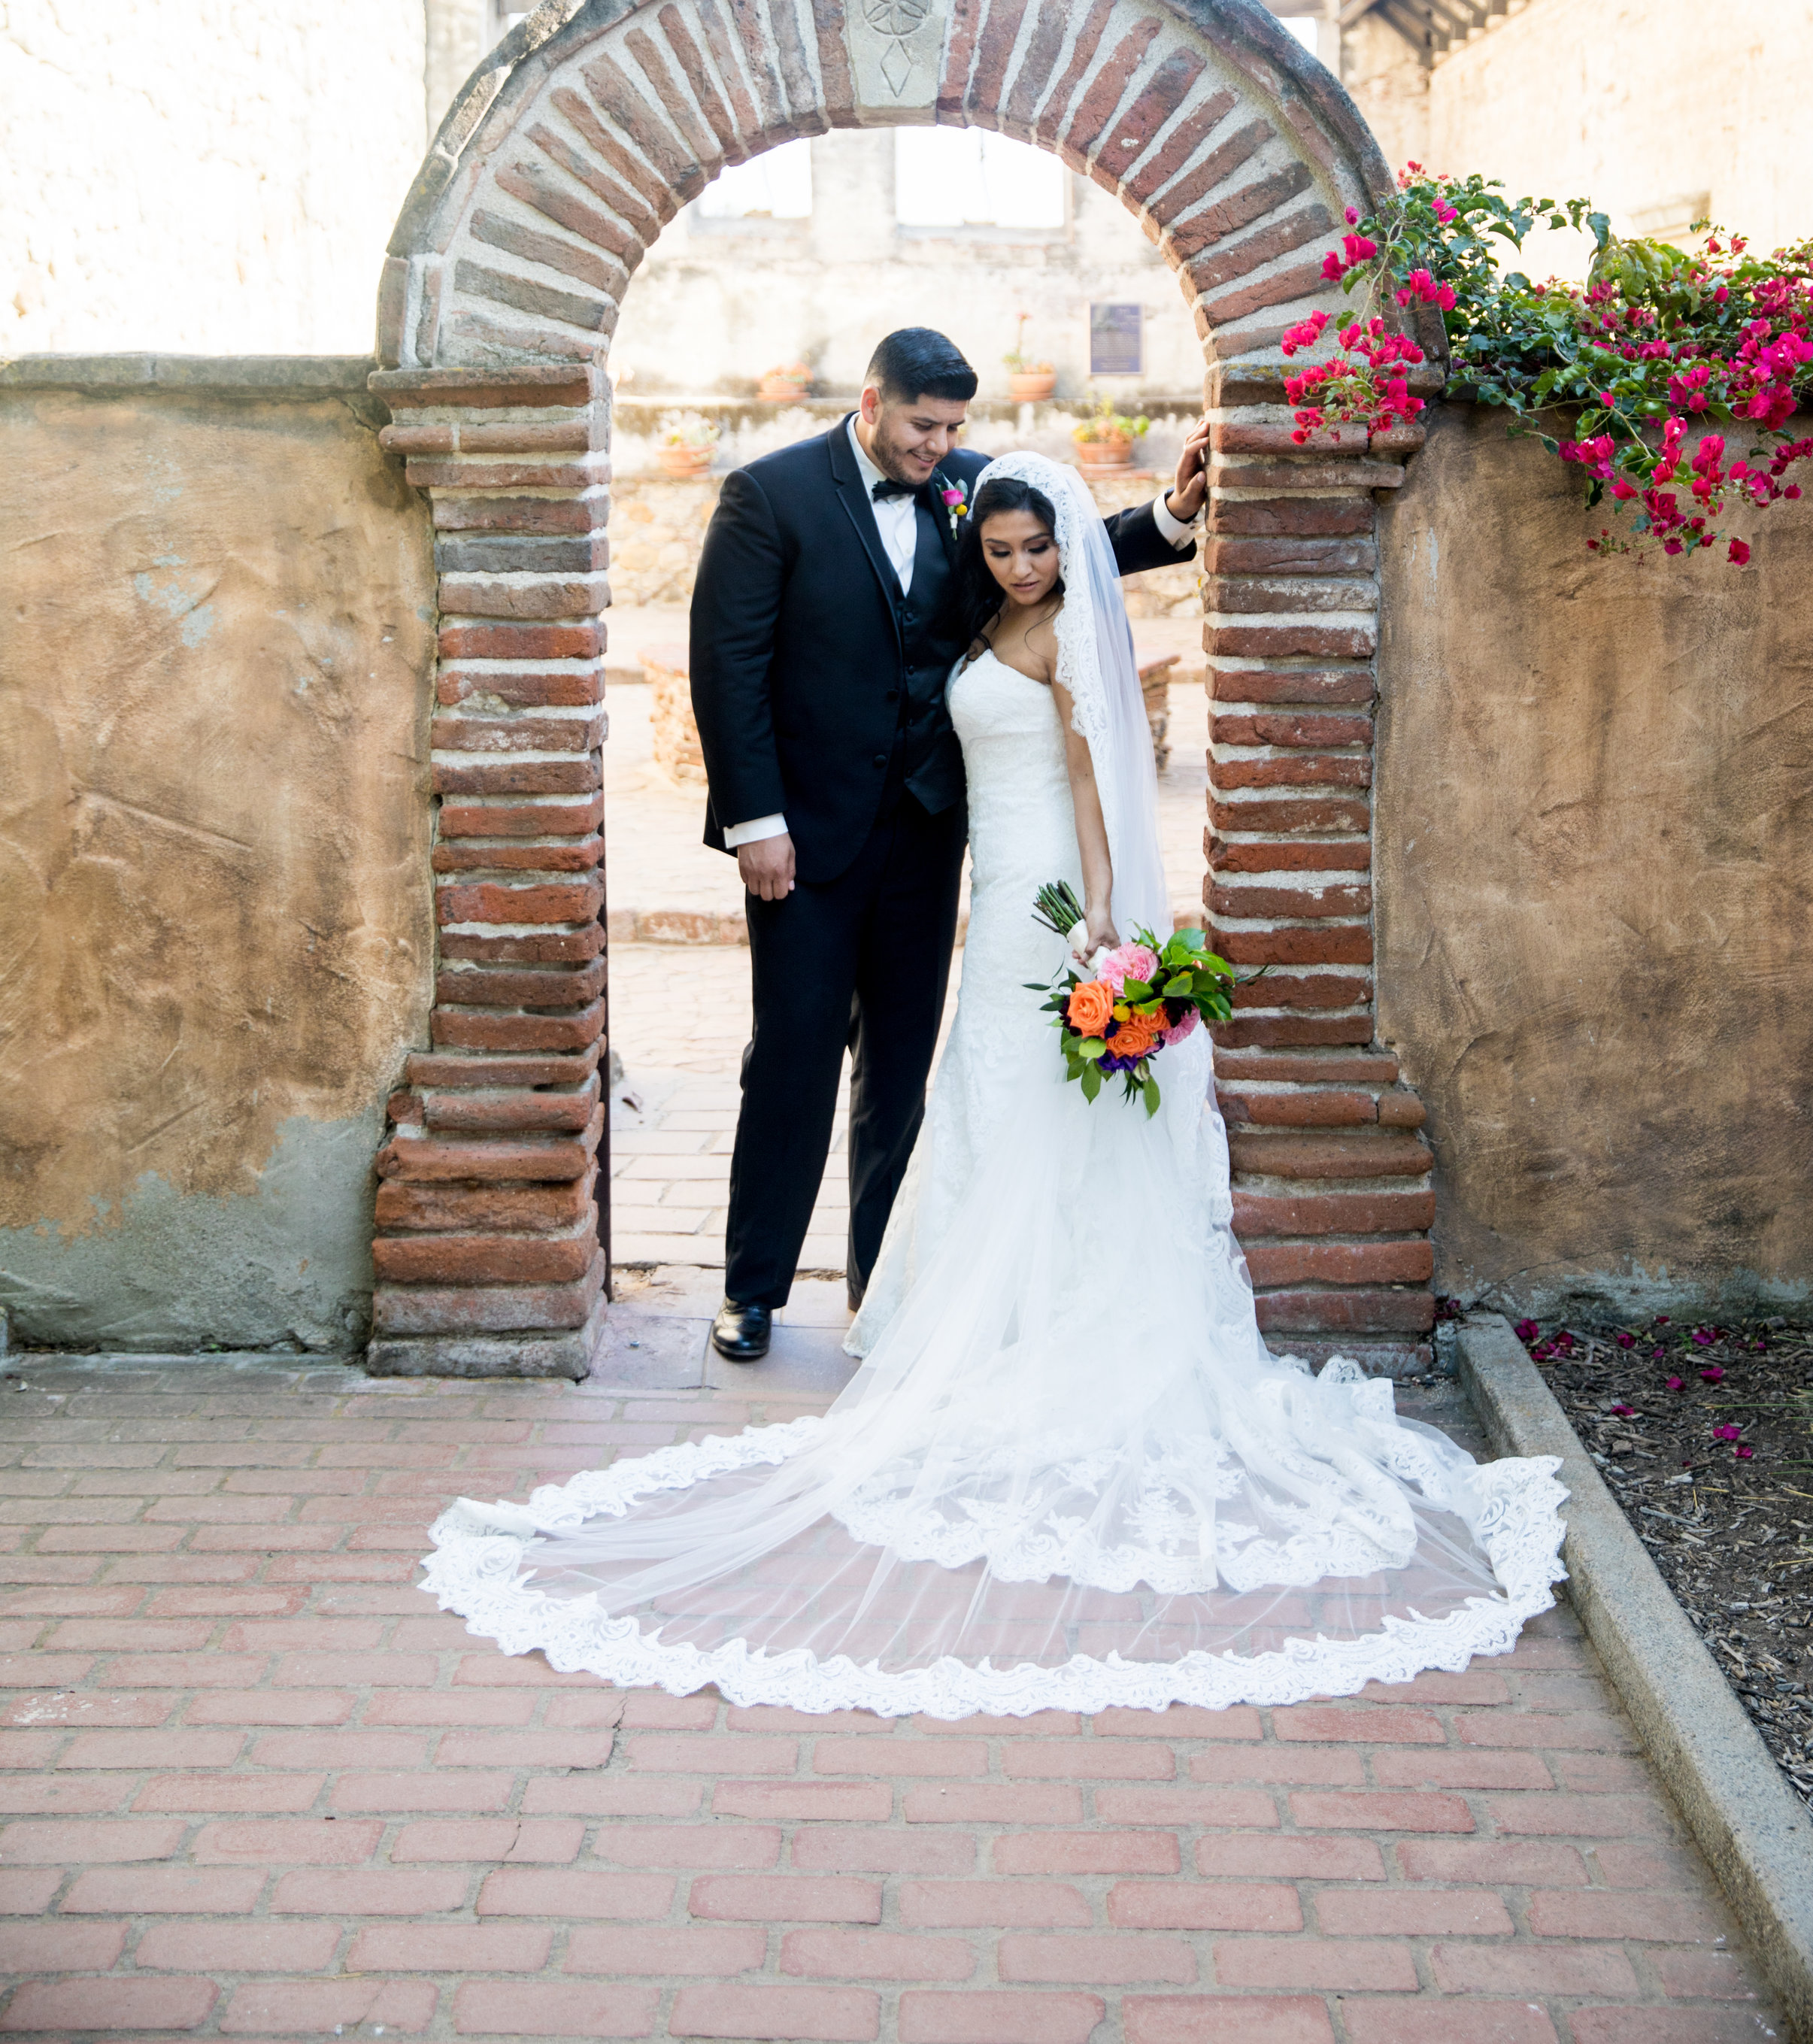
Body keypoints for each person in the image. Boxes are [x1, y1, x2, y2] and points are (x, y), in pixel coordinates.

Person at [421, 454, 1566, 1722]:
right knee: (910, 1084)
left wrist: (1109, 922)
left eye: (1031, 541)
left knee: (997, 1100)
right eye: (999, 542)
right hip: (937, 868)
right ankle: (838, 1300)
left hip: (1043, 903)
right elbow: (751, 654)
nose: (1013, 552)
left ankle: (1001, 1327)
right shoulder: (887, 545)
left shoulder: (1052, 583)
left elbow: (1091, 756)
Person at [685, 324, 1205, 1364]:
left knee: (903, 1071)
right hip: (803, 843)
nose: (942, 445)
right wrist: (757, 822)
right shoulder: (769, 495)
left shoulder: (972, 486)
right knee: (790, 1058)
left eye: (957, 426)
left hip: (930, 838)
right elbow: (726, 663)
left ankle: (885, 1278)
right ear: (872, 403)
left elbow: (1062, 547)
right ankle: (753, 1287)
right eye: (926, 425)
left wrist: (1173, 513)